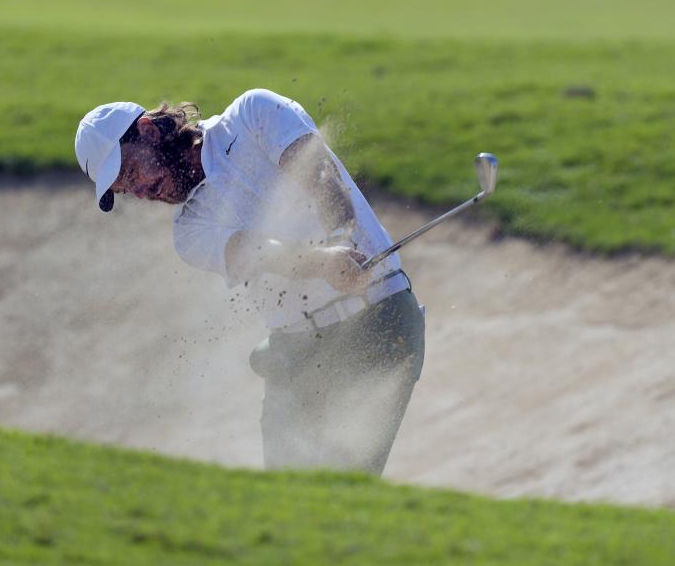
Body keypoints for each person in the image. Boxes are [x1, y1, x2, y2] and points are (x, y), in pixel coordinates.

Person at [74, 88, 424, 474]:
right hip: (296, 355)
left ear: (149, 132)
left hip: (376, 322)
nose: (140, 191)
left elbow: (318, 173)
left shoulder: (252, 114)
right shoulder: (189, 230)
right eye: (126, 191)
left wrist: (341, 239)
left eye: (131, 173)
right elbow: (254, 251)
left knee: (344, 489)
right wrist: (321, 262)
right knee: (283, 504)